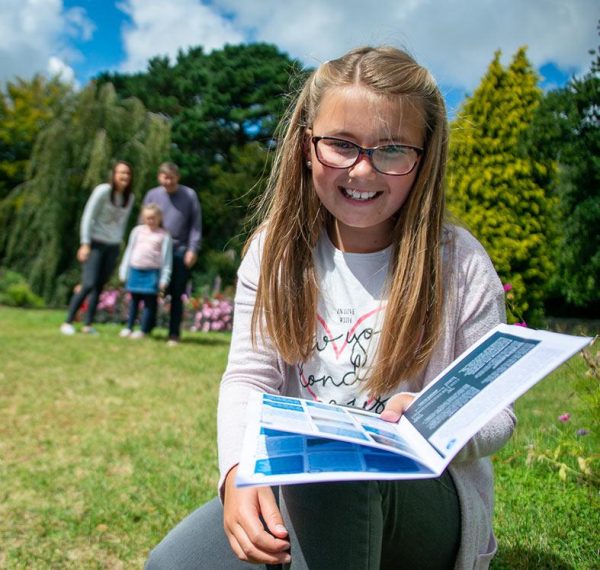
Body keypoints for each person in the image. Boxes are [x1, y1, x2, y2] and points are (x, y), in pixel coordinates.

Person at [146, 46, 515, 570]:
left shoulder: (459, 264)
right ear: (305, 145)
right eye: (341, 145)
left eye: (391, 150)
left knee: (339, 470)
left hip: (425, 502)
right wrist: (236, 473)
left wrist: (436, 419)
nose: (362, 170)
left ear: (424, 156)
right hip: (301, 482)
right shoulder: (274, 250)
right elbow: (248, 378)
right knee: (172, 564)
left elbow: (498, 413)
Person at [60, 161, 135, 335]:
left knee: (99, 286)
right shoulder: (103, 191)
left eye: (128, 174)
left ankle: (88, 324)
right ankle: (68, 321)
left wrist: (119, 244)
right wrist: (85, 243)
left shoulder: (129, 198)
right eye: (121, 173)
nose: (124, 177)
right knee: (88, 283)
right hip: (95, 243)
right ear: (114, 175)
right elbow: (88, 216)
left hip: (113, 246)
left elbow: (122, 224)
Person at [142, 162, 201, 346]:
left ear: (177, 177)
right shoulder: (152, 194)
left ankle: (173, 333)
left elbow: (196, 225)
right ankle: (146, 328)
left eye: (171, 178)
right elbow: (142, 221)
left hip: (179, 250)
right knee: (151, 291)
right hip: (155, 249)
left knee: (177, 293)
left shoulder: (189, 195)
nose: (168, 181)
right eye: (164, 178)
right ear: (160, 177)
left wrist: (193, 249)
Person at [118, 203, 173, 339]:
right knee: (134, 301)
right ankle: (129, 327)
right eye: (147, 218)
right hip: (135, 270)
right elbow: (129, 251)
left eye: (153, 218)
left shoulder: (164, 235)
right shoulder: (137, 231)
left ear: (159, 218)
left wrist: (164, 278)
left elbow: (166, 259)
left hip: (152, 273)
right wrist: (124, 270)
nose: (150, 221)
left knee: (149, 304)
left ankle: (143, 330)